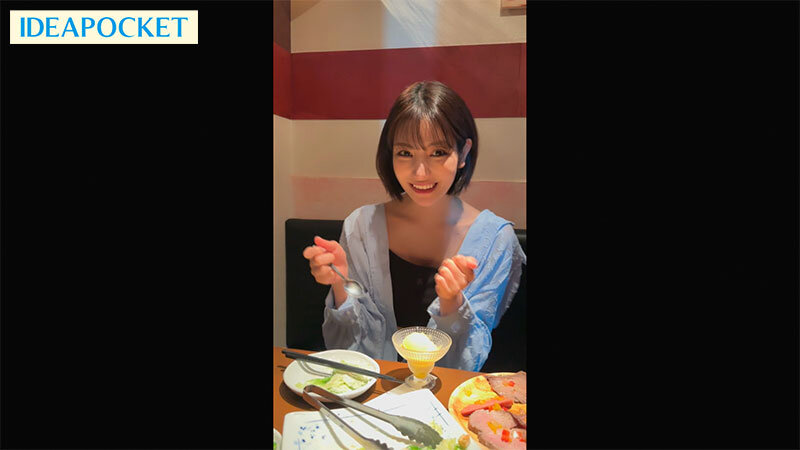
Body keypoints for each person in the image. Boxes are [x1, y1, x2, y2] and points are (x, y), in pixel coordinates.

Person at [302, 81, 526, 371]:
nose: (420, 173)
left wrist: (453, 303)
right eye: (405, 153)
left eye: (438, 152)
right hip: (374, 388)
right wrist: (339, 284)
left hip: (448, 394)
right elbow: (347, 350)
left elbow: (468, 361)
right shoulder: (361, 227)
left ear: (463, 153)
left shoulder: (495, 240)